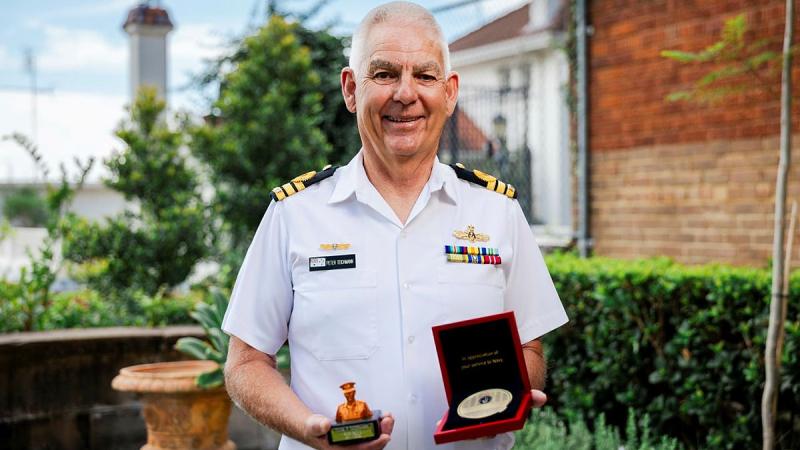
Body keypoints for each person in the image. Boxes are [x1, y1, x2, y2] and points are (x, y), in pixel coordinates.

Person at [221, 2, 568, 449]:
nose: (405, 94)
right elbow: (245, 363)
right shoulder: (294, 214)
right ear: (351, 89)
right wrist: (307, 427)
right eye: (384, 74)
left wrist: (511, 390)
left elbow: (528, 348)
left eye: (425, 76)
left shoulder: (497, 213)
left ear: (449, 92)